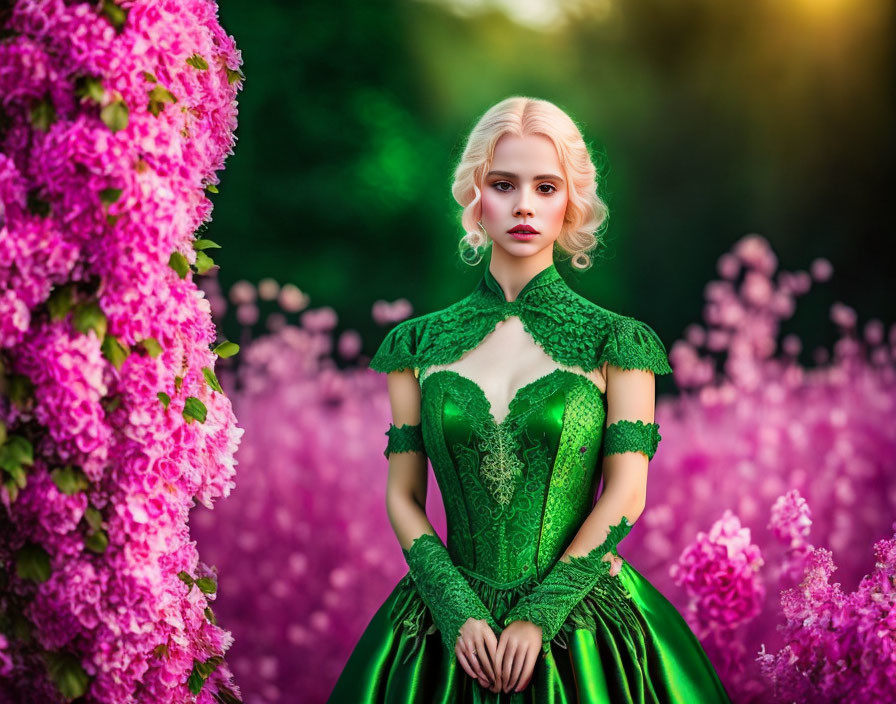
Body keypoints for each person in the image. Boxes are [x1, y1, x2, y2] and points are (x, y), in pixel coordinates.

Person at [328, 96, 732, 703]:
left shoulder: (617, 342)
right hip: (445, 628)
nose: (523, 205)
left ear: (570, 201)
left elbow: (627, 492)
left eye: (546, 187)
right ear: (475, 197)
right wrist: (454, 607)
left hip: (584, 627)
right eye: (502, 184)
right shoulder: (415, 346)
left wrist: (539, 615)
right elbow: (403, 497)